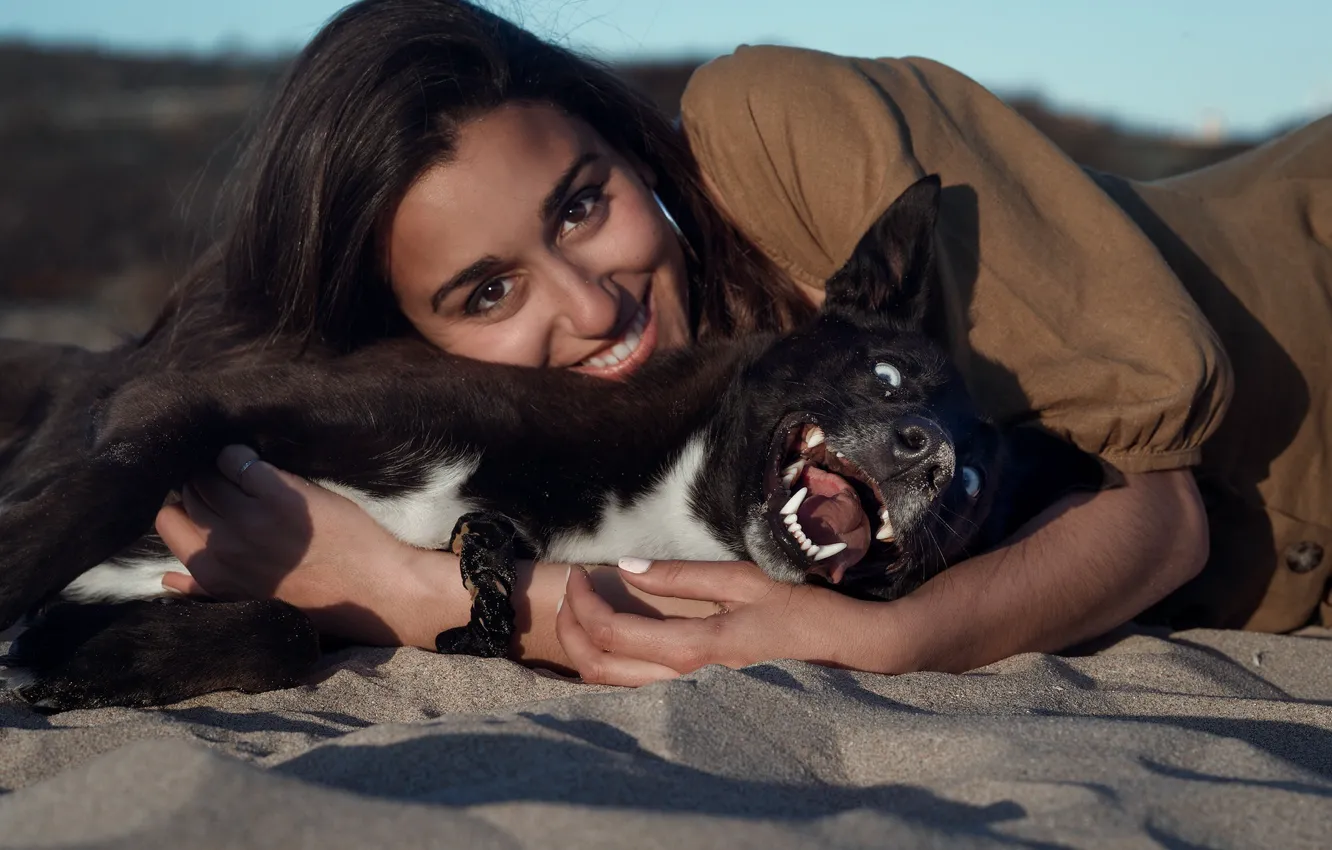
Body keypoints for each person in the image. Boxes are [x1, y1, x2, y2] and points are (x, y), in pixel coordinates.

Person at [155, 0, 1332, 686]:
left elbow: (1162, 508)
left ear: (627, 147)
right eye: (486, 292)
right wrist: (407, 584)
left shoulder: (774, 138)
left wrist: (894, 636)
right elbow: (688, 619)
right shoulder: (640, 460)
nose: (591, 302)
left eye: (580, 204)